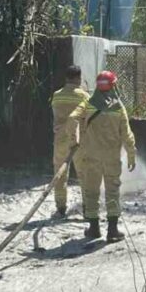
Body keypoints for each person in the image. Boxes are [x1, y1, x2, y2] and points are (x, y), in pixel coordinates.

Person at [66, 70, 137, 242]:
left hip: (91, 157)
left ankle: (94, 229)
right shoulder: (118, 107)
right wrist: (131, 154)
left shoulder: (87, 103)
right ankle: (112, 231)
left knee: (91, 192)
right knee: (112, 191)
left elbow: (72, 119)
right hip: (111, 158)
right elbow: (127, 134)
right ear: (113, 86)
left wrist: (74, 140)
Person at [50, 65, 90, 217]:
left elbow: (56, 116)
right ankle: (88, 207)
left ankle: (60, 206)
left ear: (66, 78)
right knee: (84, 173)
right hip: (80, 138)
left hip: (61, 138)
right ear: (79, 78)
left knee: (60, 172)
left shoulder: (57, 95)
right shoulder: (84, 96)